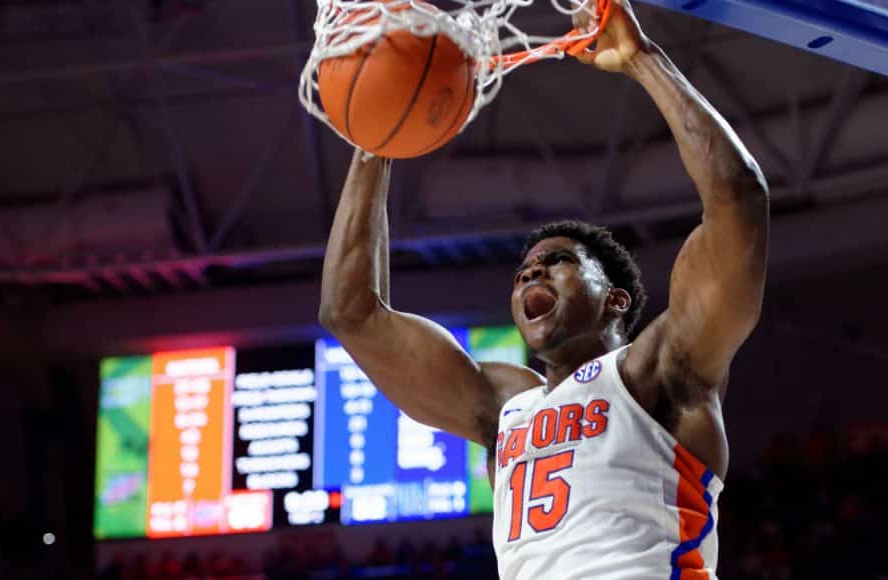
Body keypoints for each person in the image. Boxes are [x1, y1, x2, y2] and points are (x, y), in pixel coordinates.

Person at [318, 0, 769, 578]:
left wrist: (642, 59)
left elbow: (739, 203)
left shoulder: (660, 372)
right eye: (523, 272)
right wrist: (377, 134)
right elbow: (351, 314)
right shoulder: (504, 407)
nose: (532, 273)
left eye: (557, 262)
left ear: (616, 299)